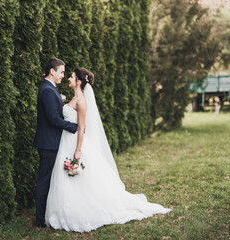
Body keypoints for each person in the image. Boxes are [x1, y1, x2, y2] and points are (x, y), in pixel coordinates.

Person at [45, 67, 171, 232]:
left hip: (74, 143)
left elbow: (82, 128)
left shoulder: (81, 100)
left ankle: (79, 210)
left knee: (78, 178)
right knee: (69, 178)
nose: (69, 78)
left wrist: (78, 150)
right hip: (66, 141)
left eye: (72, 76)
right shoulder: (75, 98)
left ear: (79, 82)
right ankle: (64, 209)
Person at [33, 58, 78, 228]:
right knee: (45, 180)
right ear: (52, 71)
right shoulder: (47, 90)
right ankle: (40, 219)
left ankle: (47, 214)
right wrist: (74, 127)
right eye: (61, 72)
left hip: (51, 141)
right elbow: (53, 119)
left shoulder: (50, 89)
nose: (63, 76)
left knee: (50, 179)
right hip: (48, 143)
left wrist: (60, 99)